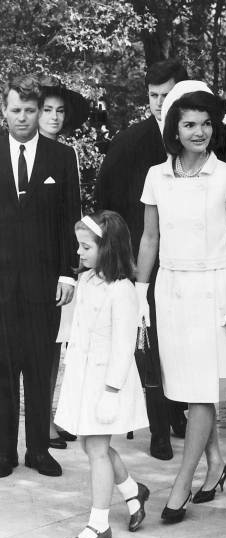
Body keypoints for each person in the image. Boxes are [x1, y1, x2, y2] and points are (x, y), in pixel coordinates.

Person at [136, 86, 226, 523]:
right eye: (189, 124)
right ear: (175, 130)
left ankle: (181, 483)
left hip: (216, 290)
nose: (199, 132)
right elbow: (150, 238)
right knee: (187, 388)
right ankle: (216, 463)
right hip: (171, 290)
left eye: (206, 123)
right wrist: (138, 293)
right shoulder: (156, 176)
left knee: (204, 392)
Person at [95, 58, 189, 460]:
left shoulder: (196, 138)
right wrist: (117, 260)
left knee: (179, 340)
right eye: (152, 96)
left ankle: (177, 411)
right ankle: (158, 431)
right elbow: (105, 203)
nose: (158, 103)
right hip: (141, 261)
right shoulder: (130, 141)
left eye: (167, 96)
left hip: (187, 260)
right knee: (146, 342)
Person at [0, 75, 80, 478]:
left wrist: (69, 274)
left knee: (39, 365)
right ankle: (3, 452)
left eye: (31, 110)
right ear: (5, 109)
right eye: (16, 110)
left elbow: (71, 218)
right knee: (1, 366)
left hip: (45, 282)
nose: (23, 118)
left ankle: (37, 449)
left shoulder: (61, 157)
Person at [55, 211, 150, 538]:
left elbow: (124, 346)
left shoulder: (123, 290)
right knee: (90, 444)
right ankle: (131, 491)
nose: (78, 253)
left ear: (107, 248)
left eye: (85, 247)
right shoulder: (88, 280)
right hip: (84, 376)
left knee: (96, 448)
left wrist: (111, 391)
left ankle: (98, 524)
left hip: (107, 381)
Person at [38, 76, 90, 450]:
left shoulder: (66, 154)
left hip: (55, 259)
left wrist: (72, 266)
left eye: (59, 111)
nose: (53, 117)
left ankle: (47, 418)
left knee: (55, 341)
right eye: (46, 110)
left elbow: (73, 210)